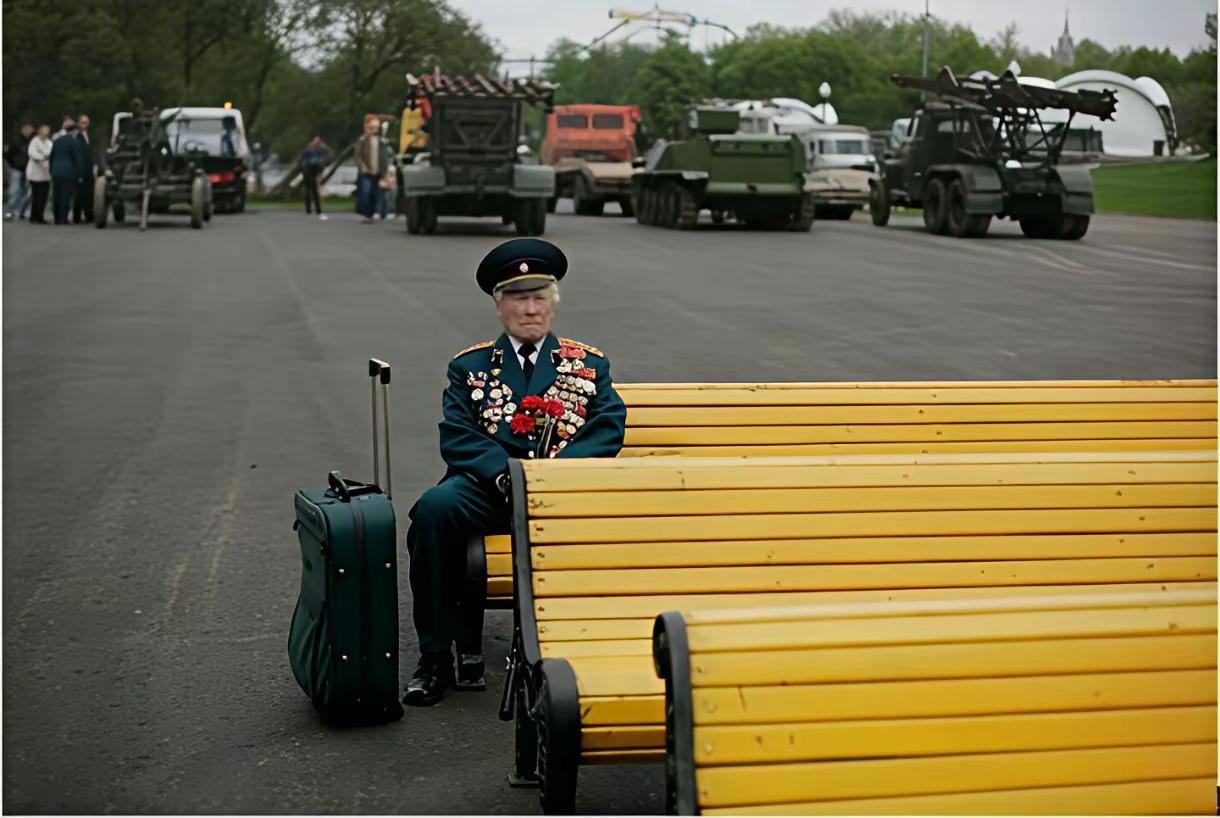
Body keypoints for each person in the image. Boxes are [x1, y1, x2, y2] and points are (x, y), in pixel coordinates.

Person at [403, 238, 627, 706]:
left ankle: (602, 651)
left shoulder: (587, 364)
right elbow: (458, 434)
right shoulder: (471, 367)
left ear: (553, 303)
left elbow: (608, 426)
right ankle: (435, 657)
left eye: (539, 296)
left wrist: (555, 475)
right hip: (491, 489)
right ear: (499, 305)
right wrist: (504, 475)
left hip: (565, 493)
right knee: (433, 511)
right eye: (518, 298)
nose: (530, 309)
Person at [49, 119, 80, 225]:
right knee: (65, 196)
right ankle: (63, 218)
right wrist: (78, 173)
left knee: (56, 195)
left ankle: (56, 218)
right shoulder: (74, 142)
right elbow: (76, 158)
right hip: (68, 172)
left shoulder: (57, 141)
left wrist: (51, 170)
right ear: (74, 131)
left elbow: (51, 157)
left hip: (56, 171)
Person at [354, 114, 382, 224]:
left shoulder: (380, 140)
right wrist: (363, 166)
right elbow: (358, 156)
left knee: (374, 194)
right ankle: (366, 213)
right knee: (366, 192)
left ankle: (371, 215)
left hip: (377, 171)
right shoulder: (362, 140)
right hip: (365, 172)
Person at [5, 124, 34, 220]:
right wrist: (13, 164)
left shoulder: (32, 141)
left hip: (28, 169)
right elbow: (7, 154)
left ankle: (21, 211)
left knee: (27, 192)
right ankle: (11, 211)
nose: (29, 131)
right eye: (27, 129)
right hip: (17, 169)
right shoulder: (15, 141)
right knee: (15, 191)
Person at [299, 136, 331, 220]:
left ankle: (315, 210)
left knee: (313, 191)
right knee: (311, 191)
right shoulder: (308, 151)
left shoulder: (319, 151)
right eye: (316, 142)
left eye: (318, 142)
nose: (317, 143)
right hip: (308, 171)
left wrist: (325, 147)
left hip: (314, 171)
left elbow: (329, 155)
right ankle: (312, 210)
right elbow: (304, 162)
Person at [25, 125, 52, 224]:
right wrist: (44, 157)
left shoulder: (49, 143)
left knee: (43, 196)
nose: (46, 133)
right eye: (44, 131)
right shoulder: (34, 141)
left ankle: (39, 216)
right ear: (40, 132)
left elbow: (51, 153)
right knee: (36, 196)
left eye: (47, 131)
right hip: (35, 173)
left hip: (45, 174)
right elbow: (32, 154)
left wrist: (47, 156)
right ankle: (35, 216)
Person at [73, 114, 95, 224]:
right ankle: (76, 217)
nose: (84, 125)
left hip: (89, 169)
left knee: (89, 194)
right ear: (78, 123)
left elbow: (91, 152)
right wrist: (79, 172)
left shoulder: (89, 135)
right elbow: (78, 155)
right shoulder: (76, 136)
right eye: (82, 122)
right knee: (79, 194)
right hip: (80, 169)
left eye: (86, 122)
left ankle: (88, 214)